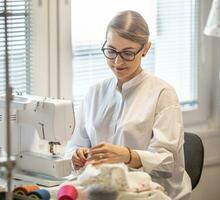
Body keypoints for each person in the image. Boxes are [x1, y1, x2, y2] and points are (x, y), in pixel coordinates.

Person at [65, 10, 192, 200]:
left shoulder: (162, 94)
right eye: (111, 51)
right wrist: (76, 155)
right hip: (105, 191)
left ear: (146, 49)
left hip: (154, 193)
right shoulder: (94, 92)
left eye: (127, 53)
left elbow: (168, 163)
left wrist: (127, 155)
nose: (117, 61)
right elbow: (75, 143)